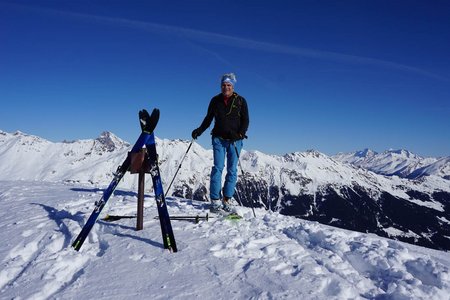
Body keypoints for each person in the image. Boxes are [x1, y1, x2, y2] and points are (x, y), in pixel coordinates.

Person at [191, 73, 249, 214]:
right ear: (221, 86)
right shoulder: (215, 100)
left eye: (229, 85)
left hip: (236, 141)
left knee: (232, 170)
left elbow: (246, 120)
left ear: (233, 86)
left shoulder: (241, 101)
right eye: (224, 85)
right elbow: (208, 118)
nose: (226, 87)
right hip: (218, 138)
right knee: (217, 168)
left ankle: (227, 199)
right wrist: (199, 130)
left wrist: (240, 134)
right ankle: (215, 200)